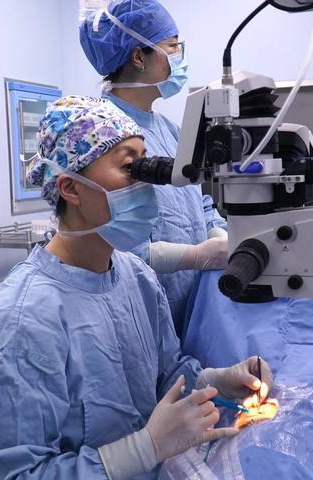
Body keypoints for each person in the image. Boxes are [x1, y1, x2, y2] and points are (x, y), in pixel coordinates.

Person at [0, 96, 273, 479]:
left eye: (146, 162)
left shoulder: (136, 278)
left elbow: (166, 376)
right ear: (71, 189)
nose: (149, 182)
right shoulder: (19, 325)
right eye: (129, 167)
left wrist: (215, 382)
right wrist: (144, 448)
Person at [79, 0, 228, 335]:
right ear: (138, 57)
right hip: (141, 304)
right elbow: (111, 241)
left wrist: (217, 234)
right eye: (172, 46)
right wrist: (193, 256)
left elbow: (199, 201)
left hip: (193, 302)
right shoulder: (102, 132)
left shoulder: (171, 130)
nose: (179, 55)